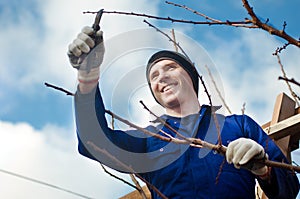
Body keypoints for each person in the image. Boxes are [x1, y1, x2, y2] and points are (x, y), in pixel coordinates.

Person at [68, 26, 299, 199]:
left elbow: (289, 189)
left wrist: (264, 170)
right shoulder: (148, 141)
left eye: (170, 67)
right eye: (154, 77)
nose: (162, 77)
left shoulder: (239, 126)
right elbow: (93, 142)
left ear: (191, 77)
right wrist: (88, 76)